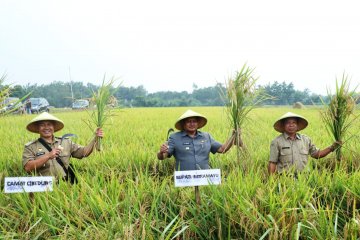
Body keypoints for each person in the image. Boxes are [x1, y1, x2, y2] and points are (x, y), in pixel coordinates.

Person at [22, 112, 103, 181]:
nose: (46, 128)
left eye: (49, 124)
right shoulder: (31, 147)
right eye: (42, 125)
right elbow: (27, 167)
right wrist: (48, 156)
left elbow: (84, 153)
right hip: (44, 187)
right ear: (38, 128)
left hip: (65, 184)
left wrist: (95, 139)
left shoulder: (65, 142)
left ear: (53, 127)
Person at [157, 109, 237, 171]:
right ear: (183, 124)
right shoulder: (174, 137)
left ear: (198, 123)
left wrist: (233, 136)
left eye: (194, 121)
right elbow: (163, 156)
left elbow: (223, 149)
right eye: (188, 122)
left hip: (204, 179)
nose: (192, 124)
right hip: (184, 180)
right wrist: (161, 152)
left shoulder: (206, 136)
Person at [268, 112, 340, 175]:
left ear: (297, 125)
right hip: (285, 179)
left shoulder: (306, 140)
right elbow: (272, 162)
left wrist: (332, 147)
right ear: (283, 126)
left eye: (294, 122)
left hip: (304, 178)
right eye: (288, 123)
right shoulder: (277, 142)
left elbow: (317, 154)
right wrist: (272, 180)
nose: (291, 125)